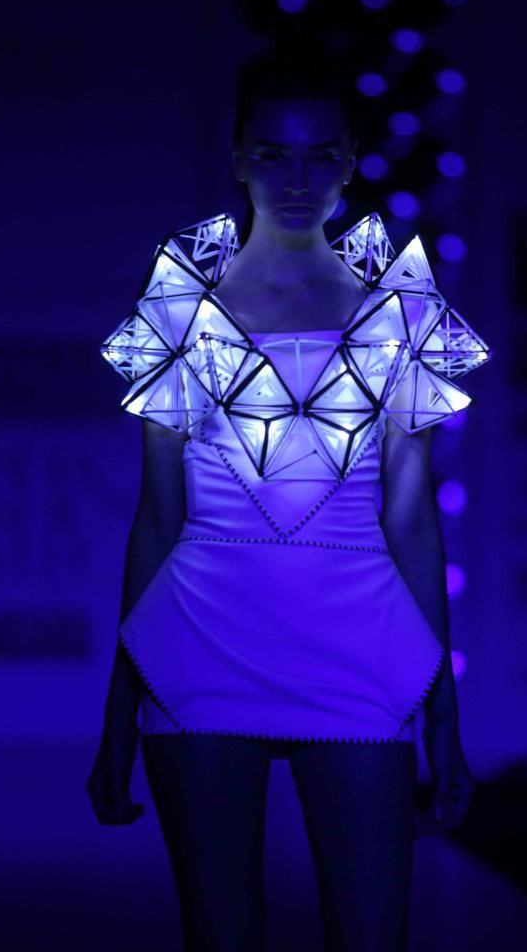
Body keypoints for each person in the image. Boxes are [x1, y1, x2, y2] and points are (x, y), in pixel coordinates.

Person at [86, 49, 479, 952]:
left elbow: (412, 517)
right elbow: (158, 517)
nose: (296, 180)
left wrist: (443, 719)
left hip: (360, 653)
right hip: (198, 648)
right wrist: (115, 723)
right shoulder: (181, 297)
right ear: (238, 158)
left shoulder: (399, 302)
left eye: (319, 155)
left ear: (350, 160)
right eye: (272, 154)